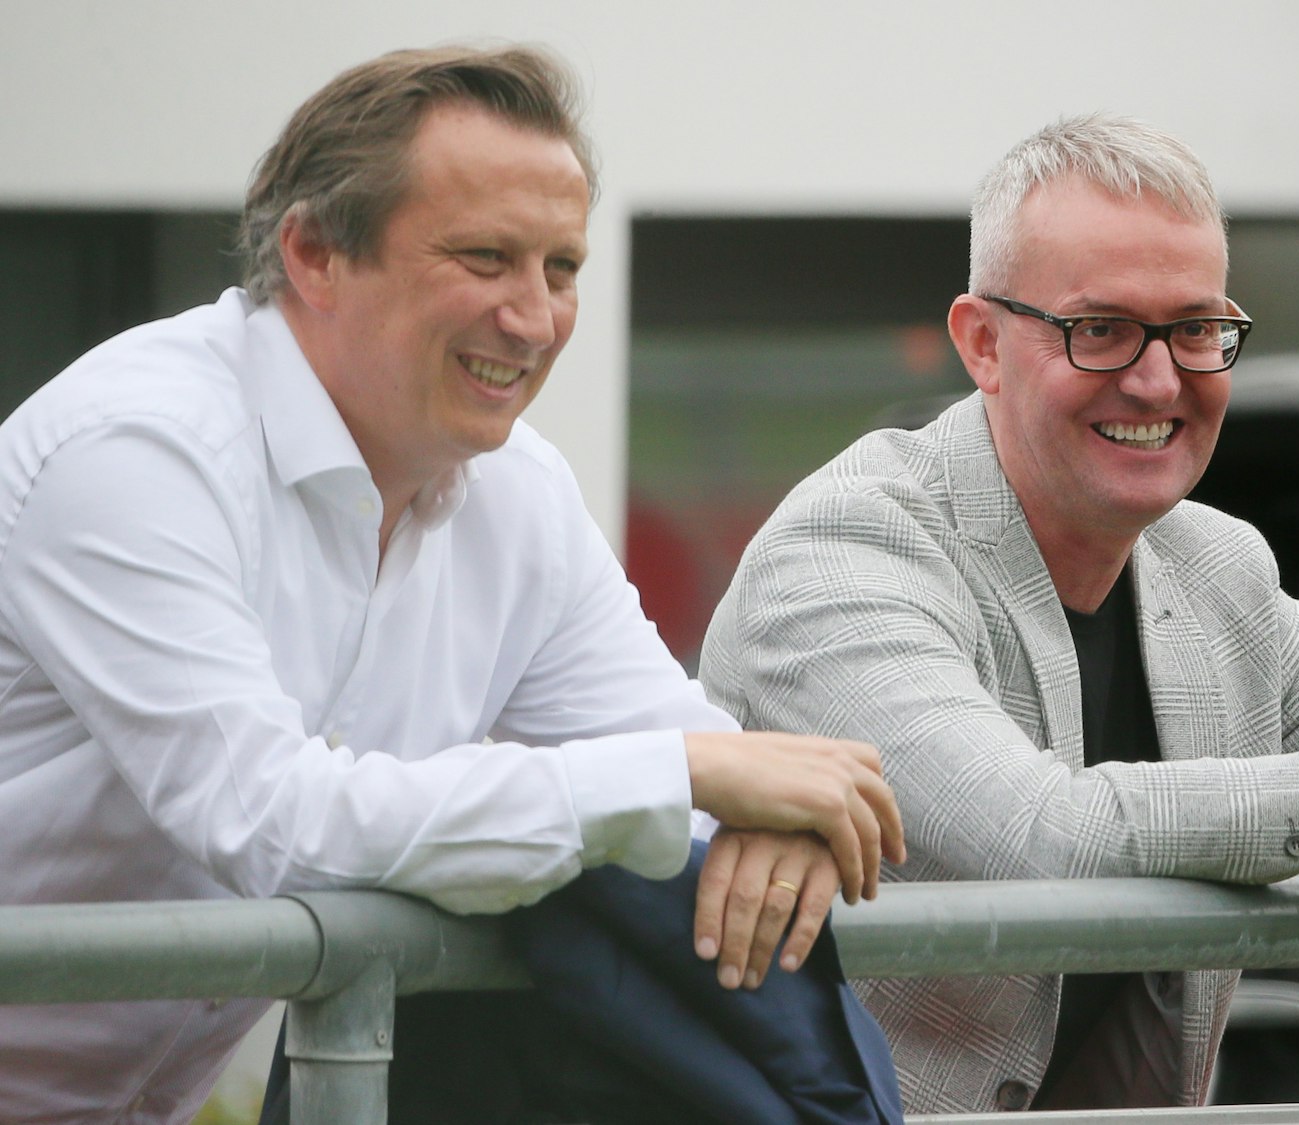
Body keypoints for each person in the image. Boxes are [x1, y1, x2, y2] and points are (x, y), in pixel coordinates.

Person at [0, 45, 900, 1124]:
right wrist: (688, 777)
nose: (533, 317)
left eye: (560, 268)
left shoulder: (519, 491)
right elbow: (273, 826)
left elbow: (696, 770)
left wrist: (765, 820)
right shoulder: (138, 452)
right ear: (314, 255)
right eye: (484, 258)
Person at [698, 113, 1299, 1113]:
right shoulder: (845, 549)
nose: (1158, 380)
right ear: (980, 343)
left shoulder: (1218, 565)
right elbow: (1041, 841)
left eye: (1195, 329)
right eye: (1099, 329)